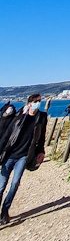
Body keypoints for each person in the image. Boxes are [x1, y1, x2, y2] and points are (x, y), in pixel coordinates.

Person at [0, 93, 47, 225]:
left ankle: (4, 211)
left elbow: (41, 137)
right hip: (9, 155)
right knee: (1, 186)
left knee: (15, 183)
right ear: (29, 103)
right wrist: (23, 115)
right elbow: (6, 134)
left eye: (39, 101)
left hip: (24, 156)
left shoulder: (42, 117)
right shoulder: (19, 115)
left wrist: (41, 151)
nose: (38, 103)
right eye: (36, 101)